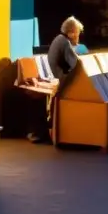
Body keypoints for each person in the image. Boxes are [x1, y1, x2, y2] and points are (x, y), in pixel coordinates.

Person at [39, 16, 84, 144]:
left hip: (56, 78)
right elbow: (76, 64)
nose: (78, 37)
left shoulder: (59, 39)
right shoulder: (64, 42)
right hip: (61, 81)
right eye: (77, 33)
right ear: (71, 32)